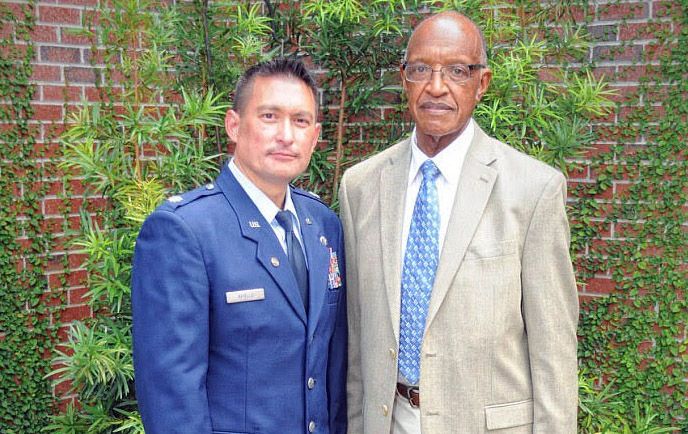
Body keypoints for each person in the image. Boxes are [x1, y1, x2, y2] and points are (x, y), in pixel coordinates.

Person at [340, 11, 578, 433]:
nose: (436, 87)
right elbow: (359, 339)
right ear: (404, 78)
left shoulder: (533, 189)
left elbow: (553, 352)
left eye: (456, 71)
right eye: (420, 70)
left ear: (481, 83)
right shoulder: (360, 188)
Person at [132, 57, 347, 434]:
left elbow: (332, 370)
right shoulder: (185, 231)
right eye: (269, 116)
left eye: (300, 121)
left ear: (314, 136)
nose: (286, 135)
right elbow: (172, 401)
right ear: (234, 125)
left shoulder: (323, 225)